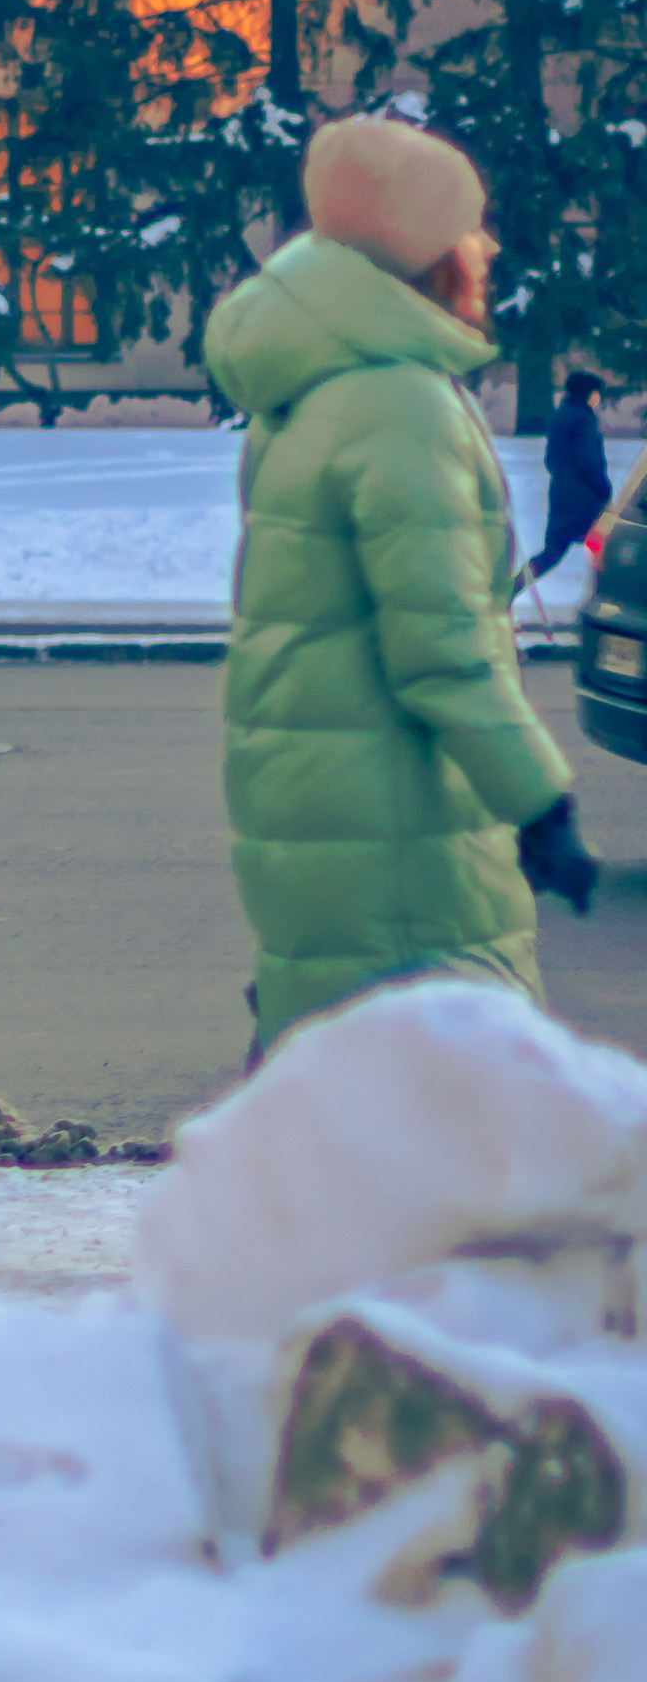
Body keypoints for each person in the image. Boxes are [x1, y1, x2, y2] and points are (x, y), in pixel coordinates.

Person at [205, 115, 598, 1057]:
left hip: (322, 799)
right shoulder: (400, 401)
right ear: (424, 254)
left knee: (335, 1074)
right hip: (395, 814)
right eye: (468, 228)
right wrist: (541, 801)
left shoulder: (315, 384)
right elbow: (439, 647)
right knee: (437, 1110)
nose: (488, 247)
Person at [529, 366, 613, 584]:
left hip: (561, 494)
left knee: (552, 552)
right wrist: (604, 490)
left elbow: (550, 459)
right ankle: (607, 599)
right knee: (606, 550)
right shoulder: (584, 420)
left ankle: (509, 589)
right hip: (585, 498)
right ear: (589, 394)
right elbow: (589, 462)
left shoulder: (560, 416)